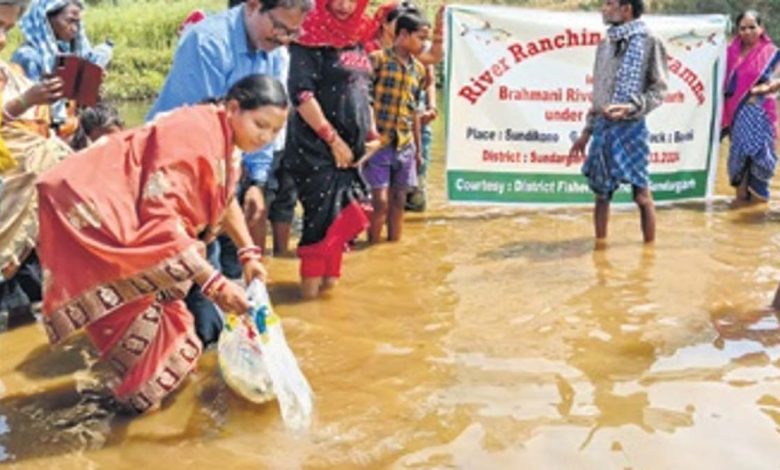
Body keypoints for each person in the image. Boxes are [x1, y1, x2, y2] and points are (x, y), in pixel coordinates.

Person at [36, 74, 287, 413]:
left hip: (139, 243)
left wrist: (248, 254)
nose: (266, 138)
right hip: (105, 236)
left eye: (275, 131)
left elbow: (224, 200)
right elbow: (161, 218)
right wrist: (214, 284)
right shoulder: (192, 134)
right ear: (233, 108)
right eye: (261, 125)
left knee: (175, 350)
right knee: (144, 375)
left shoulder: (226, 144)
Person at [147, 0, 311, 346]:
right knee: (171, 292)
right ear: (253, 6)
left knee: (210, 302)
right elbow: (197, 144)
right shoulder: (208, 43)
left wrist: (258, 181)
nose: (284, 39)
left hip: (219, 175)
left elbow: (269, 122)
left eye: (294, 32)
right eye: (280, 27)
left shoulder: (277, 52)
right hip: (168, 176)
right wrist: (215, 280)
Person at [284, 0, 377, 299]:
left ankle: (328, 297)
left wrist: (372, 134)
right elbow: (301, 93)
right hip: (317, 150)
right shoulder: (307, 39)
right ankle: (308, 302)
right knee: (320, 227)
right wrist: (333, 140)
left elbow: (363, 92)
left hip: (352, 153)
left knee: (342, 225)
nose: (343, 5)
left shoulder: (358, 39)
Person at [569, 0, 668, 244]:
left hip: (632, 128)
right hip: (603, 127)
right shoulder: (604, 46)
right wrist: (586, 133)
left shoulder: (649, 42)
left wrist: (630, 107)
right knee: (602, 195)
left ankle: (649, 255)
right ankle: (600, 252)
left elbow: (659, 91)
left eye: (609, 4)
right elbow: (598, 94)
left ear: (626, 9)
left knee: (642, 197)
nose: (603, 9)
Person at [0, 0, 72, 326]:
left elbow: (33, 134)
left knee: (24, 311)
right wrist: (23, 103)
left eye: (8, 30)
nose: (3, 39)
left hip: (23, 218)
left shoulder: (10, 74)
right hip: (9, 208)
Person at [364, 11, 429, 243]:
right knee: (380, 200)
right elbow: (365, 100)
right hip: (379, 142)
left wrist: (419, 150)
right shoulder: (377, 60)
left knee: (400, 200)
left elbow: (414, 113)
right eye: (420, 38)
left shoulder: (419, 70)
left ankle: (392, 246)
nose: (424, 44)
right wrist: (370, 135)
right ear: (403, 35)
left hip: (405, 144)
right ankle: (371, 244)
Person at [11, 0, 104, 139]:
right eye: (70, 21)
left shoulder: (67, 55)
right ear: (47, 19)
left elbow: (76, 106)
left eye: (77, 22)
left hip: (69, 131)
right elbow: (31, 112)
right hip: (39, 134)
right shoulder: (29, 57)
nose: (74, 28)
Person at [722, 10, 780, 203]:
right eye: (743, 28)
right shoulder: (730, 52)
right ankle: (740, 213)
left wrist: (767, 87)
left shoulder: (770, 53)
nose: (747, 32)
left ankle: (757, 212)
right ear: (737, 30)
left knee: (757, 159)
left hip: (759, 114)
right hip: (736, 116)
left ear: (761, 28)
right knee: (740, 162)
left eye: (752, 27)